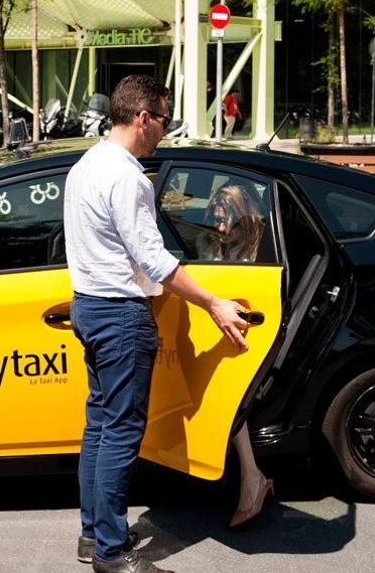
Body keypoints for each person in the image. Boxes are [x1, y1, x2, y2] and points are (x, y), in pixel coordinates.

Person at [65, 74, 251, 573]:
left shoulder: (85, 164)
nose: (165, 131)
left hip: (87, 305)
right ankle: (111, 551)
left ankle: (92, 534)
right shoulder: (126, 176)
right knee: (121, 433)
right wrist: (212, 302)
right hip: (120, 315)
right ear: (143, 118)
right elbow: (155, 261)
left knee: (100, 427)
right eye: (163, 120)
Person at [197, 184, 275, 527]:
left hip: (253, 339)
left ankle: (252, 478)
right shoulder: (210, 244)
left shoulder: (257, 251)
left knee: (226, 388)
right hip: (222, 336)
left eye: (226, 220)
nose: (220, 228)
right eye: (215, 219)